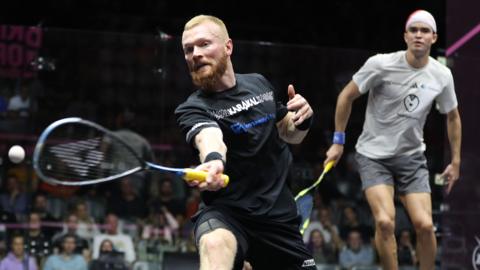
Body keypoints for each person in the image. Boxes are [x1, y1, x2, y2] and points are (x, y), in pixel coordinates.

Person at [324, 10, 462, 270]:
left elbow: (453, 117)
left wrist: (455, 161)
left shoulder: (441, 76)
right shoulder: (381, 64)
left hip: (411, 157)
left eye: (424, 31)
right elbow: (346, 96)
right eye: (413, 30)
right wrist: (338, 141)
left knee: (425, 225)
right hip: (373, 156)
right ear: (405, 36)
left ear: (434, 37)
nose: (418, 35)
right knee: (385, 222)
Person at [175, 15, 315, 270]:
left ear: (228, 47)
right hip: (229, 215)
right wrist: (214, 161)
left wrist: (303, 118)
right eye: (188, 49)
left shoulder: (258, 83)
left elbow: (289, 134)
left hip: (279, 222)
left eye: (204, 44)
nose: (195, 54)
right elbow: (209, 137)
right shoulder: (192, 108)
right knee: (214, 244)